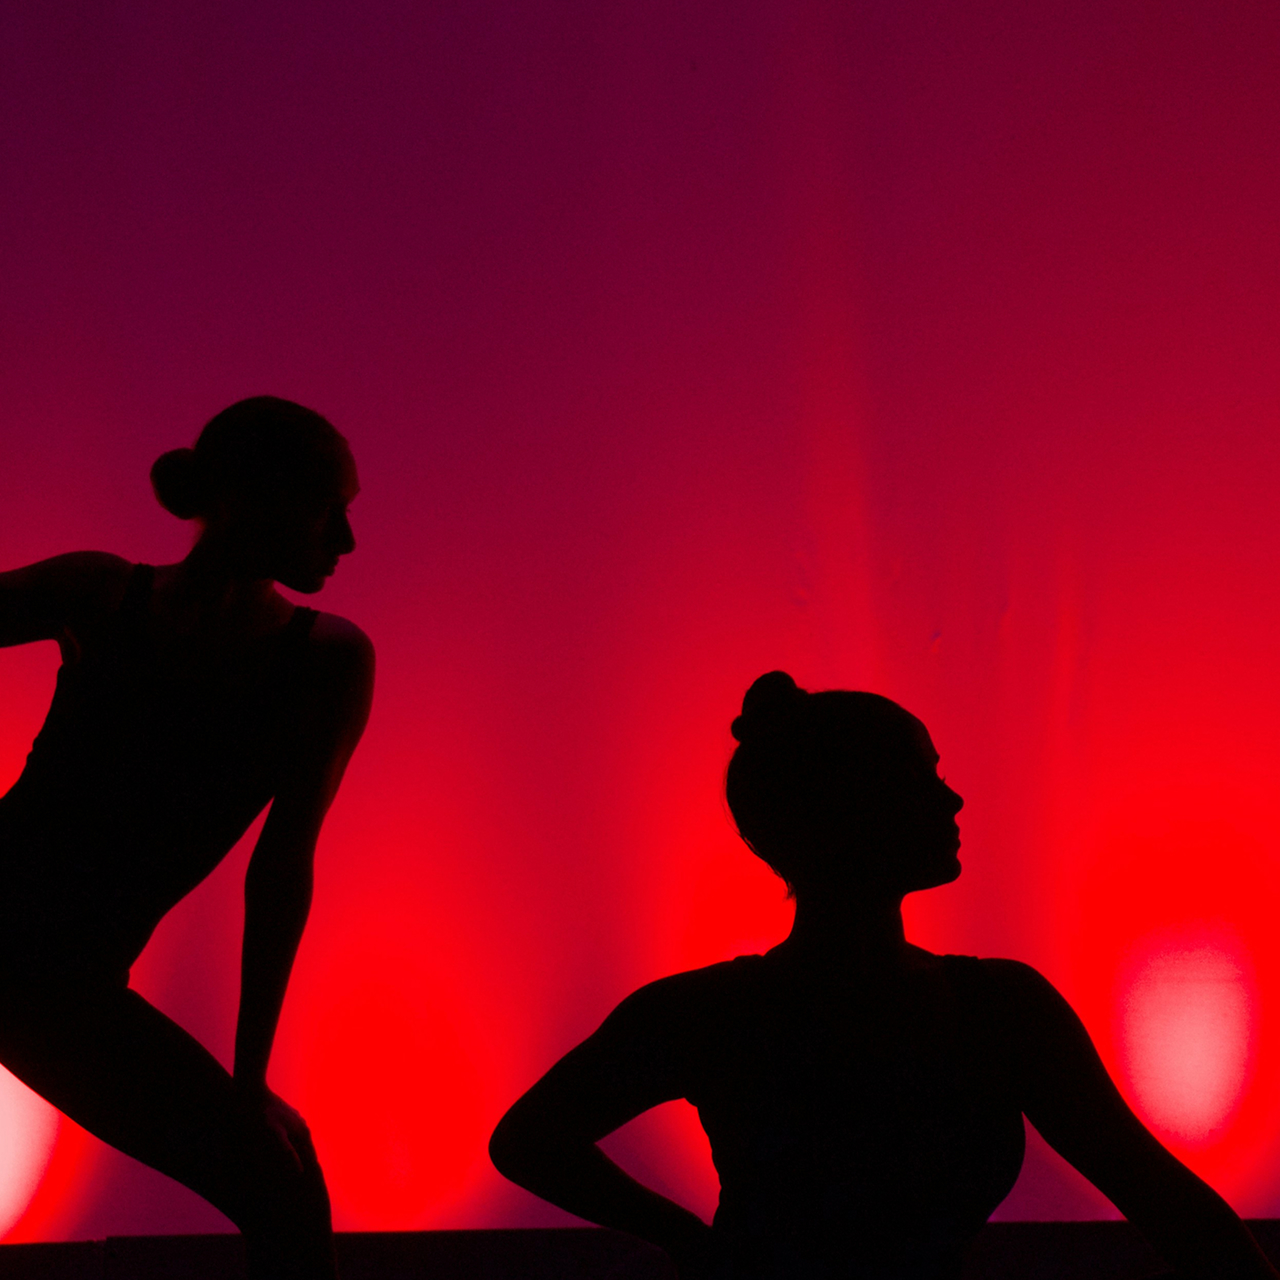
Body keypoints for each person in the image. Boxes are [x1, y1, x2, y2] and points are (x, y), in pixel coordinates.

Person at [490, 671, 1279, 1280]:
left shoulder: (708, 1012)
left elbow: (528, 1140)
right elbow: (1161, 1198)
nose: (952, 797)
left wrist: (686, 1240)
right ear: (849, 807)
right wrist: (680, 1238)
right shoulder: (998, 1008)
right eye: (919, 775)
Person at [0, 397, 374, 1280]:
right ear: (256, 502)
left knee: (284, 1189)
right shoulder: (102, 593)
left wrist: (250, 1080)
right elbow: (279, 871)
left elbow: (280, 873)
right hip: (47, 985)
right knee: (282, 1196)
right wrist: (245, 1084)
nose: (347, 541)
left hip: (61, 988)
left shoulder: (321, 661)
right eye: (329, 510)